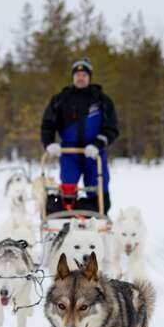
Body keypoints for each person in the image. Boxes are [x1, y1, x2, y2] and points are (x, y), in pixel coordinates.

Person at [40, 58, 119, 213]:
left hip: (94, 153)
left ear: (89, 77)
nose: (80, 77)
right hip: (69, 152)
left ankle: (97, 218)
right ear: (73, 77)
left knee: (99, 190)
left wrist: (98, 144)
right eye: (77, 74)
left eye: (84, 74)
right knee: (67, 189)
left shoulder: (102, 100)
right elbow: (48, 124)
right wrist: (49, 143)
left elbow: (112, 128)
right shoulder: (60, 99)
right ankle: (66, 221)